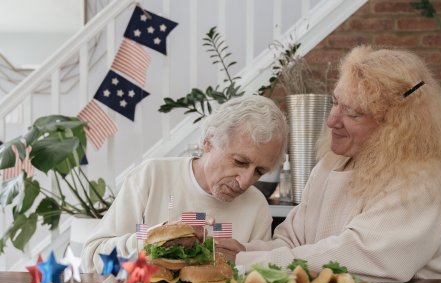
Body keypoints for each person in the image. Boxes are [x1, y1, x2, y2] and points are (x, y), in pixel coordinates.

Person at [217, 46, 441, 283]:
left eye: (353, 113)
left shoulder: (422, 178)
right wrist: (242, 251)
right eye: (335, 101)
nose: (331, 121)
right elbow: (293, 240)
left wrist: (245, 261)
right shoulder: (331, 165)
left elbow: (362, 255)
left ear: (397, 126)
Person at [82, 95, 288, 273]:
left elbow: (260, 279)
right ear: (209, 142)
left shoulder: (256, 205)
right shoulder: (151, 176)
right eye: (239, 162)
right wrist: (158, 238)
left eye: (259, 171)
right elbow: (91, 260)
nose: (245, 182)